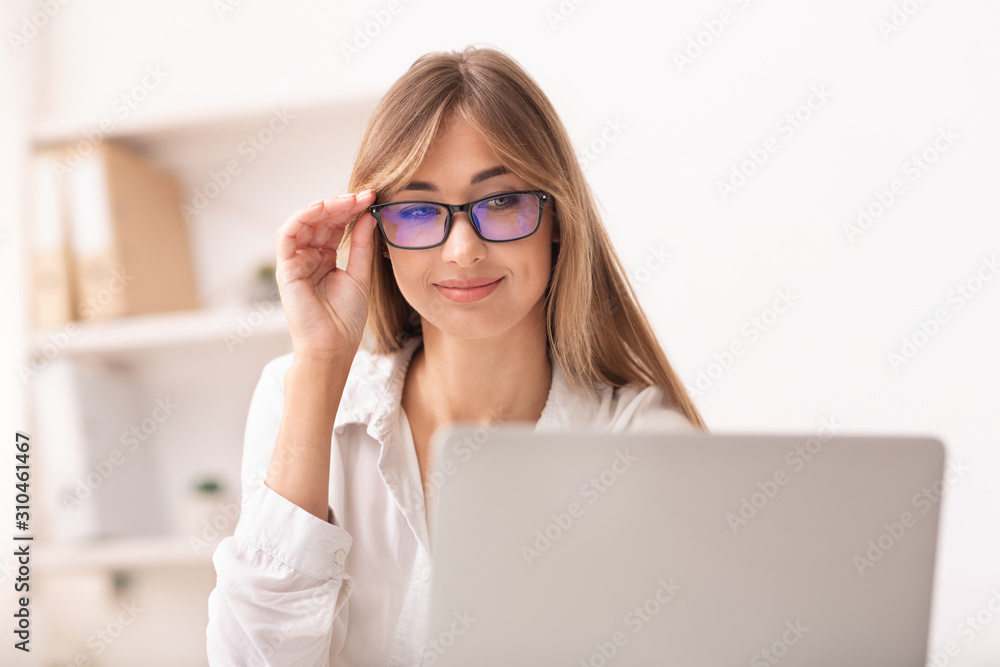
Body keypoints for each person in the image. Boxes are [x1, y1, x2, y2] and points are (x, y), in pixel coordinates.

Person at [206, 44, 706, 666]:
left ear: (558, 219)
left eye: (501, 201)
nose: (463, 249)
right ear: (378, 237)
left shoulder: (639, 444)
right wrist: (321, 362)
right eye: (417, 211)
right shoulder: (296, 395)